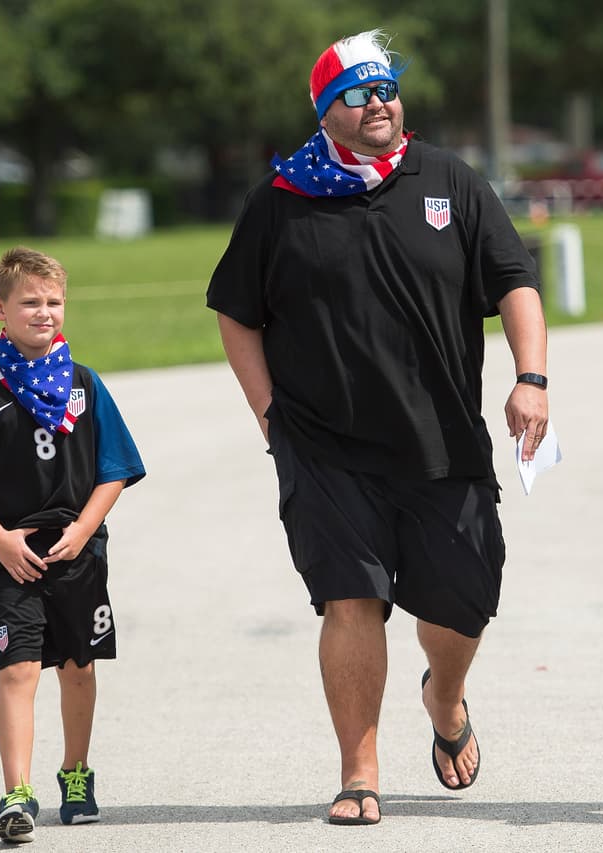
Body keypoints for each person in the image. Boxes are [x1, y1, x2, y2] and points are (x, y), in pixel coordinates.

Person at [206, 29, 548, 827]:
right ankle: (359, 769)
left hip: (443, 443)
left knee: (460, 606)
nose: (379, 106)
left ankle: (446, 695)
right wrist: (271, 418)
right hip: (326, 448)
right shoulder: (281, 200)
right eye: (357, 96)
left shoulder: (450, 181)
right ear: (327, 113)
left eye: (386, 89)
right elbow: (236, 314)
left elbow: (514, 282)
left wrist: (531, 377)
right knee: (350, 600)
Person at [0, 247, 145, 843]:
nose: (44, 312)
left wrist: (82, 530)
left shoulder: (85, 384)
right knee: (18, 669)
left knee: (77, 668)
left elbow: (116, 468)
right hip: (12, 558)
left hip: (78, 554)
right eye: (30, 302)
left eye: (54, 302)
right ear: (0, 309)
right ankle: (16, 793)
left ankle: (76, 774)